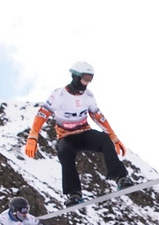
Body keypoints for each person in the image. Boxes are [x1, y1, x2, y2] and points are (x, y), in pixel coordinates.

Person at [24, 61, 133, 206]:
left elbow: (97, 116)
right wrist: (33, 136)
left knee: (104, 140)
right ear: (75, 77)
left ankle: (121, 177)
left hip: (84, 133)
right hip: (67, 137)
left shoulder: (88, 96)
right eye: (85, 78)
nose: (87, 82)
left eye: (90, 79)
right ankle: (73, 194)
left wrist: (113, 136)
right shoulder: (59, 95)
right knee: (64, 153)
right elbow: (42, 114)